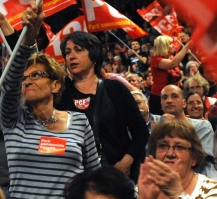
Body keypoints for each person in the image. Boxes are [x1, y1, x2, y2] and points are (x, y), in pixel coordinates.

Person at [0, 3, 100, 199]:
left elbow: (94, 175)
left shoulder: (78, 121)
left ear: (56, 85)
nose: (26, 82)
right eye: (24, 78)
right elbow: (9, 85)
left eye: (36, 76)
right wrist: (28, 38)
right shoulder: (13, 119)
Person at [57, 31, 149, 181]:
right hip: (78, 181)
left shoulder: (115, 89)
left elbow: (140, 131)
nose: (71, 56)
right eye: (67, 53)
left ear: (94, 55)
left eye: (78, 50)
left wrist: (125, 164)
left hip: (118, 176)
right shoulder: (62, 95)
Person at [158, 85, 217, 179]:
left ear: (184, 103)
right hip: (169, 179)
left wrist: (170, 129)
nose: (169, 100)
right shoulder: (158, 129)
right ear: (161, 104)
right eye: (164, 98)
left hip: (202, 178)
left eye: (174, 96)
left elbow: (197, 157)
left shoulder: (203, 126)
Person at [149, 35, 192, 115]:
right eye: (170, 44)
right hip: (160, 98)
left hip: (174, 95)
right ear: (163, 46)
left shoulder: (171, 57)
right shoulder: (156, 59)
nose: (173, 45)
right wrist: (186, 47)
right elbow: (173, 64)